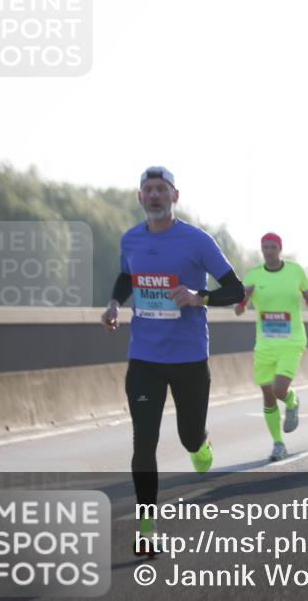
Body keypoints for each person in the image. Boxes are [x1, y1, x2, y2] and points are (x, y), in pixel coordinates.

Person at [100, 165, 244, 556]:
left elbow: (234, 289)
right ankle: (146, 528)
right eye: (148, 190)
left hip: (189, 359)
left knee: (187, 436)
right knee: (144, 443)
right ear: (140, 198)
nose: (155, 196)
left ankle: (199, 443)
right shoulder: (130, 239)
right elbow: (127, 277)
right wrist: (114, 303)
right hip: (144, 357)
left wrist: (201, 297)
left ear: (175, 196)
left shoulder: (197, 241)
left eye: (162, 189)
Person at [235, 233, 308, 461]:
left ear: (279, 249)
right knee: (268, 395)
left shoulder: (295, 271)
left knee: (279, 389)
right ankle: (278, 444)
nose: (268, 251)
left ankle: (292, 400)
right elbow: (238, 310)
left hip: (291, 341)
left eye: (272, 247)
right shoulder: (253, 275)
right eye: (264, 247)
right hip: (265, 344)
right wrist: (244, 299)